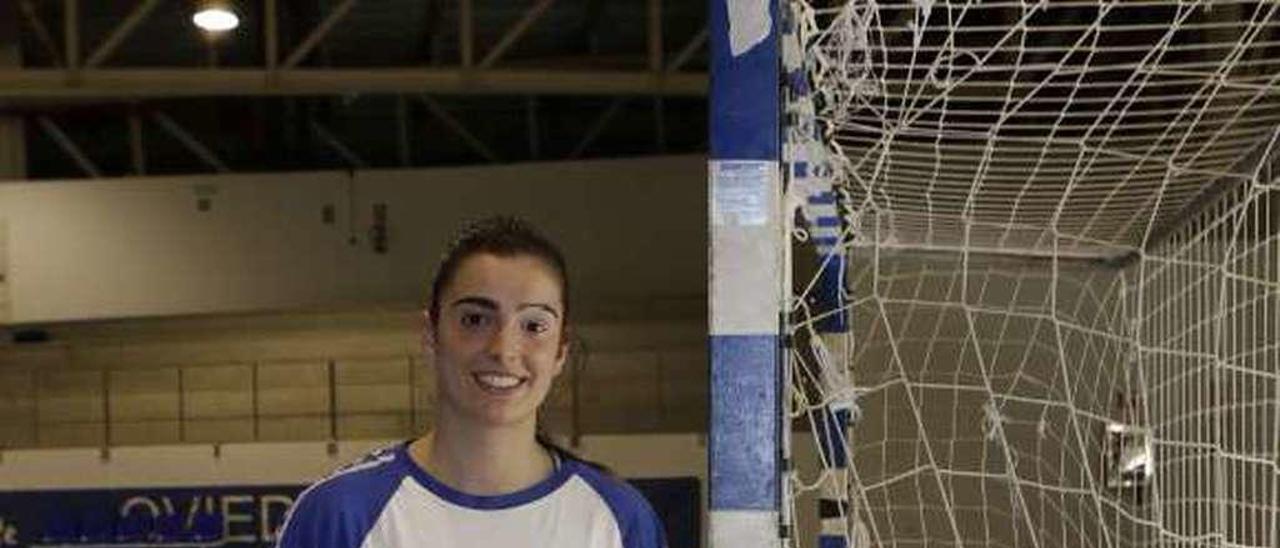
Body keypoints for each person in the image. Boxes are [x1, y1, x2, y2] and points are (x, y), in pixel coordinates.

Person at [276, 216, 667, 547]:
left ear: (561, 350)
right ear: (431, 334)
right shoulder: (339, 515)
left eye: (534, 325)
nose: (504, 349)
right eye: (475, 320)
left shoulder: (617, 520)